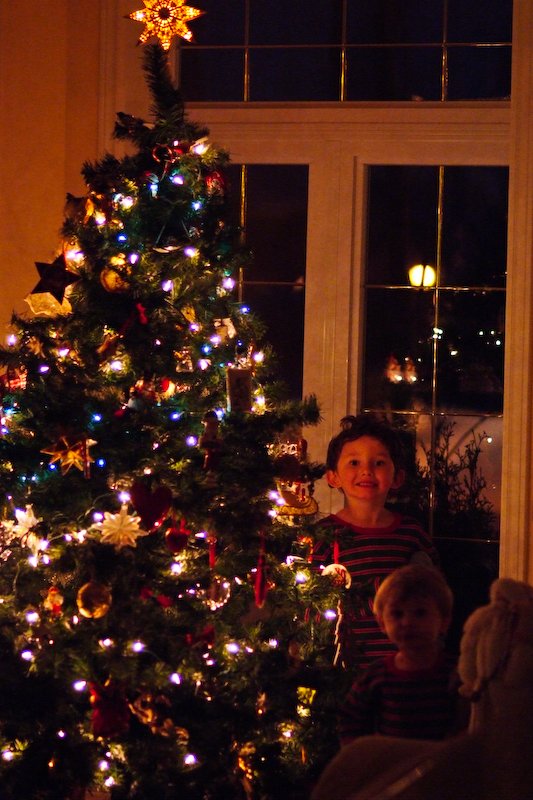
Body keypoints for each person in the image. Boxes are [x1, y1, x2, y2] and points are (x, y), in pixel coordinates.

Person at [311, 414, 438, 669]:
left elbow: (432, 592)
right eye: (354, 462)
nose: (366, 470)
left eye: (379, 462)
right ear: (333, 477)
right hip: (342, 666)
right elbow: (309, 600)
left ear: (397, 477)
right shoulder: (323, 535)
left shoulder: (411, 533)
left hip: (402, 663)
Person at [338, 564, 464, 746]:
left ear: (444, 621)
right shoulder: (376, 676)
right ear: (382, 623)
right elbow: (351, 720)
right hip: (393, 762)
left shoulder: (457, 672)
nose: (407, 622)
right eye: (397, 614)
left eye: (420, 613)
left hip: (441, 761)